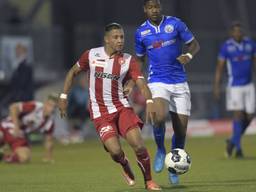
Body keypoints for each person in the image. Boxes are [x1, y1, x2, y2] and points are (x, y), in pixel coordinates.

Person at [59, 23, 161, 191]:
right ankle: (125, 165)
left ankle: (149, 181)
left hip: (122, 108)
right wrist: (63, 96)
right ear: (106, 39)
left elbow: (141, 83)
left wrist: (149, 101)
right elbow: (72, 72)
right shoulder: (91, 55)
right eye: (116, 37)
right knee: (115, 152)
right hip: (100, 113)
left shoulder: (128, 60)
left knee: (139, 145)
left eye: (121, 37)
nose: (120, 40)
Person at [133, 0, 200, 184]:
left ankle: (174, 166)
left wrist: (188, 55)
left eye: (156, 6)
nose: (154, 10)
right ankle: (161, 150)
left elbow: (194, 44)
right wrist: (133, 80)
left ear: (160, 8)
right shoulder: (140, 32)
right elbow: (139, 61)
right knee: (159, 117)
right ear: (145, 10)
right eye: (150, 7)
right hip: (157, 81)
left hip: (179, 82)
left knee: (181, 130)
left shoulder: (175, 23)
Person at [214, 21, 256, 158]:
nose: (238, 33)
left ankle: (232, 141)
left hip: (249, 85)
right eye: (235, 31)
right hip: (235, 86)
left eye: (240, 31)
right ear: (232, 33)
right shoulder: (226, 47)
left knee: (250, 116)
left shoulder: (250, 44)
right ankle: (238, 149)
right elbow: (219, 68)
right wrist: (216, 86)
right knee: (238, 115)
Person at [0, 94, 58, 163]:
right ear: (45, 103)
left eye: (54, 107)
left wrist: (48, 156)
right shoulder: (35, 106)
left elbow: (49, 140)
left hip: (20, 135)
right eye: (50, 105)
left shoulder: (50, 122)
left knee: (24, 157)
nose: (51, 109)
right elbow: (13, 107)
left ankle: (4, 157)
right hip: (7, 126)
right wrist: (16, 126)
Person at [66, 73, 89, 144]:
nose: (84, 82)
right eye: (83, 81)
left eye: (85, 81)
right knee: (81, 110)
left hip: (84, 111)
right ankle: (74, 134)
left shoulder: (88, 90)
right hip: (74, 110)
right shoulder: (75, 91)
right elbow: (77, 101)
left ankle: (77, 134)